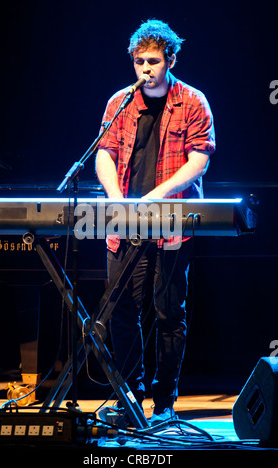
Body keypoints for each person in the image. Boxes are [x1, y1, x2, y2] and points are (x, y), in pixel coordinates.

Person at [95, 19, 215, 425]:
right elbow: (104, 152)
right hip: (125, 223)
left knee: (168, 313)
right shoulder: (120, 102)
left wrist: (151, 198)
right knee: (121, 310)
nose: (145, 69)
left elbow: (199, 158)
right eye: (138, 61)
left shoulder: (193, 102)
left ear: (171, 60)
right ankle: (130, 396)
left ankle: (164, 402)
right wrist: (116, 200)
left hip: (171, 223)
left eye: (153, 61)